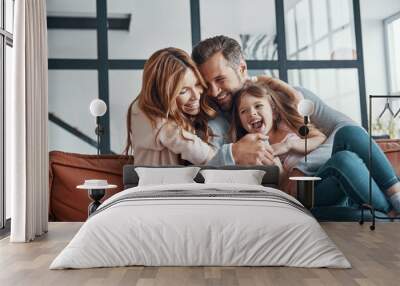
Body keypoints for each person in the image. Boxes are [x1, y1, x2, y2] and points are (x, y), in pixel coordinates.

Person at [192, 35, 400, 216]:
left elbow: (347, 132)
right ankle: (387, 213)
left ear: (242, 68)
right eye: (206, 84)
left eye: (220, 79)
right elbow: (205, 175)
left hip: (334, 180)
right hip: (302, 200)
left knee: (347, 152)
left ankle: (393, 200)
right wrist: (233, 152)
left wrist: (302, 167)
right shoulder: (213, 124)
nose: (213, 91)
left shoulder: (290, 97)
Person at [124, 47, 217, 165]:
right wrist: (229, 156)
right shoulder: (143, 111)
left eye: (197, 84)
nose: (196, 96)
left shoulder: (178, 113)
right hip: (157, 183)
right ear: (162, 93)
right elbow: (197, 151)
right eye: (183, 91)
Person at [231, 81, 326, 182]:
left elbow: (320, 138)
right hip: (306, 189)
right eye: (244, 111)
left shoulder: (287, 126)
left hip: (322, 171)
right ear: (240, 122)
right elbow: (283, 186)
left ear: (274, 112)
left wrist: (288, 145)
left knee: (344, 137)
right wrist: (279, 171)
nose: (252, 113)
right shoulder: (251, 151)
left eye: (258, 106)